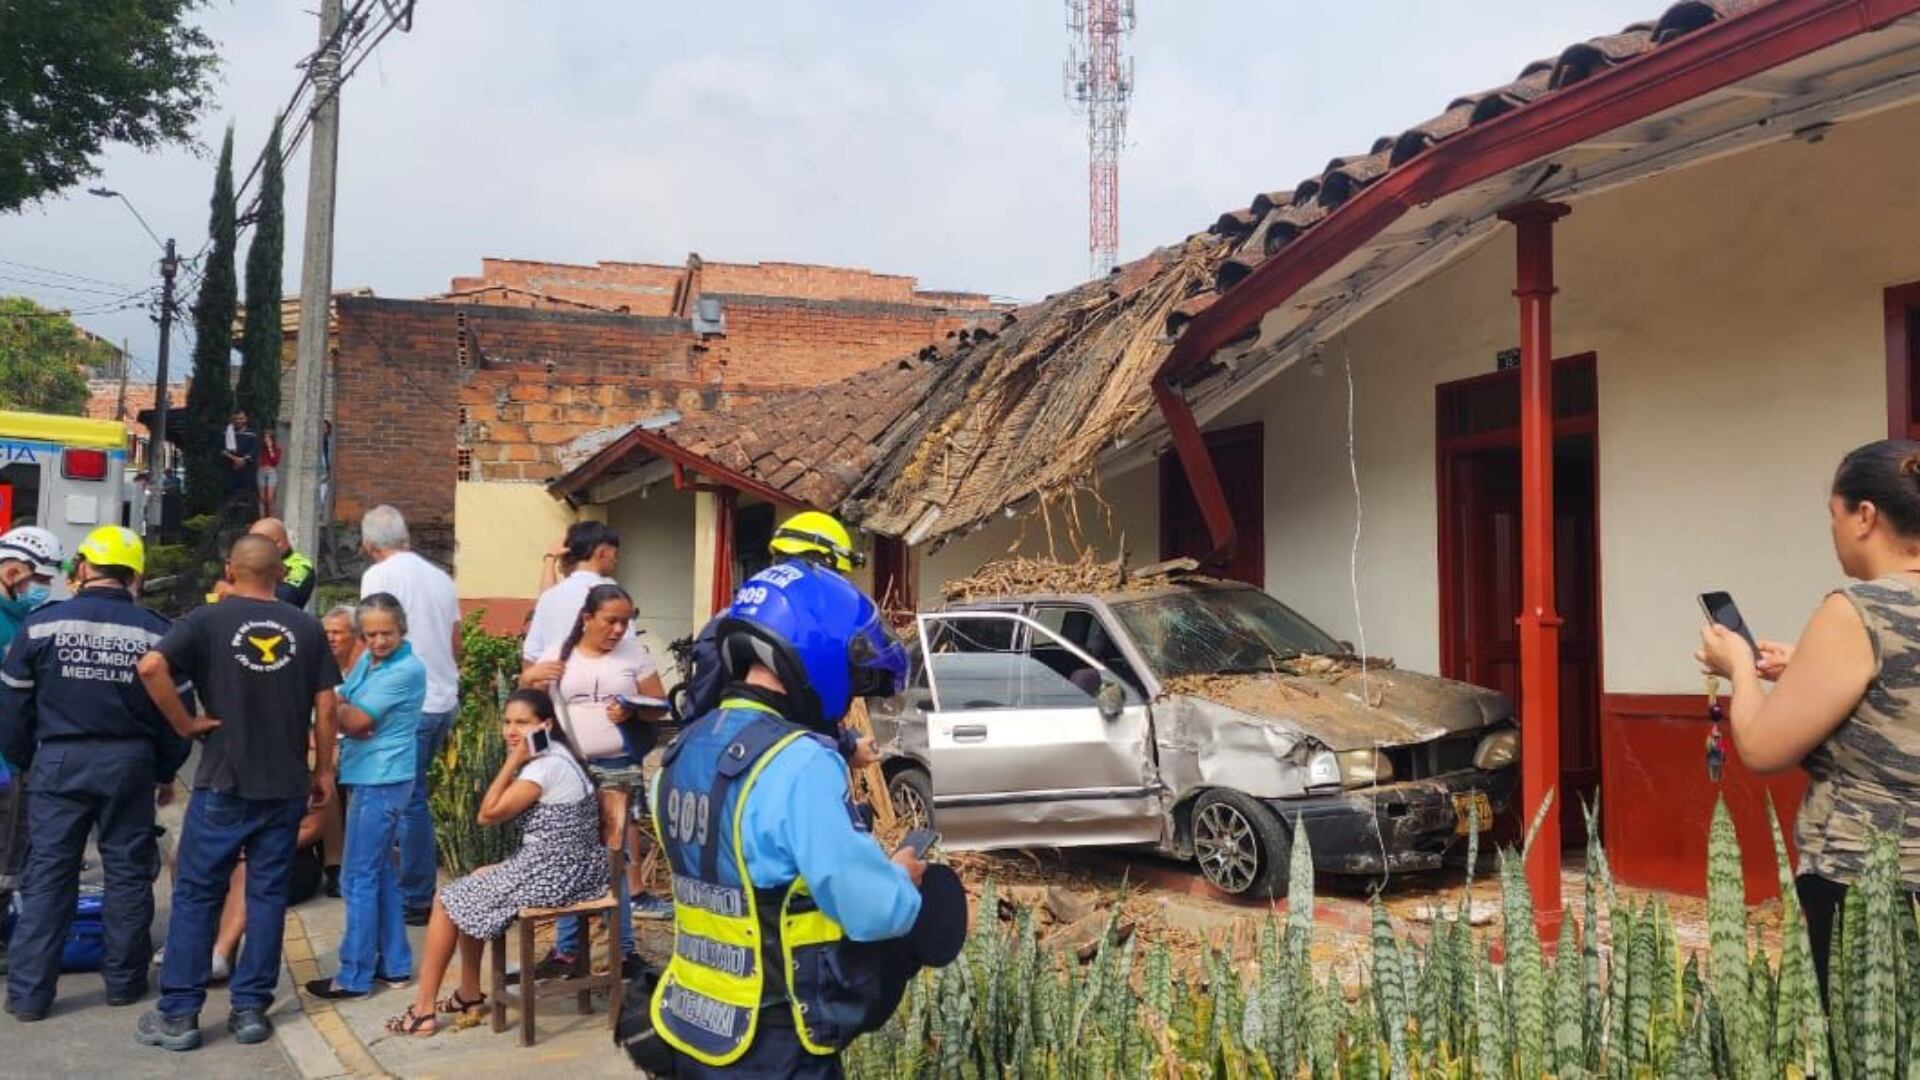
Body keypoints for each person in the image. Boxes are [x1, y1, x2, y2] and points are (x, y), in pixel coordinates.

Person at [640, 559, 964, 1077]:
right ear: (820, 657)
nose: (847, 702)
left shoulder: (679, 753)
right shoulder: (801, 762)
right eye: (853, 684)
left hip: (692, 1026)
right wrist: (900, 877)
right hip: (774, 1045)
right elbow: (871, 909)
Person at [1697, 438, 1920, 1000]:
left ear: (1865, 516)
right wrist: (1806, 665)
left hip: (1866, 884)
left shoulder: (1856, 611)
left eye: (1835, 516)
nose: (1835, 531)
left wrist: (1739, 668)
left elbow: (1764, 749)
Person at [134, 533, 340, 1053]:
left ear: (230, 568)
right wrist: (323, 771)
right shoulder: (307, 627)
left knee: (198, 893)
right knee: (266, 893)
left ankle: (179, 1014)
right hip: (286, 782)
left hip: (225, 778)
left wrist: (185, 724)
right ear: (278, 574)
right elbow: (327, 706)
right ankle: (250, 1009)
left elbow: (151, 667)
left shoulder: (205, 621)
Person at [0, 527, 191, 1021]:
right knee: (128, 872)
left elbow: (13, 706)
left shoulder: (42, 626)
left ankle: (28, 995)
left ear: (84, 568)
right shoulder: (157, 631)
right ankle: (124, 984)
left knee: (48, 874)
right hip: (130, 765)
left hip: (58, 761)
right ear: (135, 575)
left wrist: (25, 760)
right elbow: (180, 713)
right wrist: (165, 769)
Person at [383, 689, 606, 1037]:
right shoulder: (559, 752)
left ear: (545, 725)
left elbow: (487, 815)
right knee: (474, 882)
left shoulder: (544, 767)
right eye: (507, 721)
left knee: (445, 901)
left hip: (556, 874)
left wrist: (511, 762)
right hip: (571, 866)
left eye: (522, 722)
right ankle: (469, 994)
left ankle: (423, 1010)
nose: (511, 731)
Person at [521, 584, 671, 977]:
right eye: (611, 621)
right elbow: (523, 701)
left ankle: (621, 951)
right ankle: (569, 950)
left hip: (618, 765)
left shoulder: (633, 654)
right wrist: (533, 675)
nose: (619, 629)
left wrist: (634, 712)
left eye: (625, 621)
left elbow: (660, 705)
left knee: (614, 859)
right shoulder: (559, 651)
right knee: (571, 853)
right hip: (567, 769)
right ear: (587, 618)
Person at [678, 511, 874, 759]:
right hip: (748, 771)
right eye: (836, 575)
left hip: (793, 764)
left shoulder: (807, 629)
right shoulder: (735, 624)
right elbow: (702, 721)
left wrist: (846, 746)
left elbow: (807, 716)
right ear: (819, 568)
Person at [307, 592, 424, 1000]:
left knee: (357, 877)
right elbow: (346, 706)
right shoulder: (372, 664)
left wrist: (331, 705)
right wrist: (341, 707)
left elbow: (352, 717)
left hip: (383, 778)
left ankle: (354, 975)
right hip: (372, 773)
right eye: (370, 634)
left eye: (386, 633)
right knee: (379, 875)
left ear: (402, 629)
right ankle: (394, 965)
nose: (377, 641)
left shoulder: (404, 669)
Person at [359, 505, 461, 926]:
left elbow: (372, 639)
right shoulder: (441, 577)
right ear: (407, 537)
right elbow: (456, 643)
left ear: (369, 546)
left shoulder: (378, 577)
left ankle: (415, 896)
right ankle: (411, 887)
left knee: (405, 800)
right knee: (415, 796)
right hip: (443, 698)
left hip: (406, 703)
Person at [0, 525, 64, 976]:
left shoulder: (22, 619)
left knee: (10, 855)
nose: (38, 590)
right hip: (6, 760)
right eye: (35, 581)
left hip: (15, 756)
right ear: (12, 569)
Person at [524, 520, 622, 665]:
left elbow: (531, 655)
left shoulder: (550, 597)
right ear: (602, 552)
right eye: (615, 554)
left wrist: (550, 558)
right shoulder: (611, 590)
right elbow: (628, 648)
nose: (616, 560)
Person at [249, 518, 316, 611]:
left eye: (256, 543)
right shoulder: (252, 562)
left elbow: (285, 596)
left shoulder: (301, 566)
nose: (250, 548)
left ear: (277, 543)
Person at [222, 411, 258, 518]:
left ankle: (245, 519)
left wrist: (244, 460)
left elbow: (254, 450)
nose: (239, 421)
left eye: (241, 418)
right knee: (231, 496)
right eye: (236, 418)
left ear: (246, 419)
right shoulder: (227, 433)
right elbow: (222, 449)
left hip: (247, 470)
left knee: (246, 495)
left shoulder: (252, 434)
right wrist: (235, 460)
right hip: (230, 469)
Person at [256, 431, 281, 519]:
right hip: (261, 471)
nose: (266, 440)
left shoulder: (277, 449)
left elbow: (275, 461)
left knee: (270, 498)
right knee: (262, 498)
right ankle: (261, 518)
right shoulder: (261, 449)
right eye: (265, 438)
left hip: (271, 471)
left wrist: (270, 448)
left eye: (268, 438)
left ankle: (271, 518)